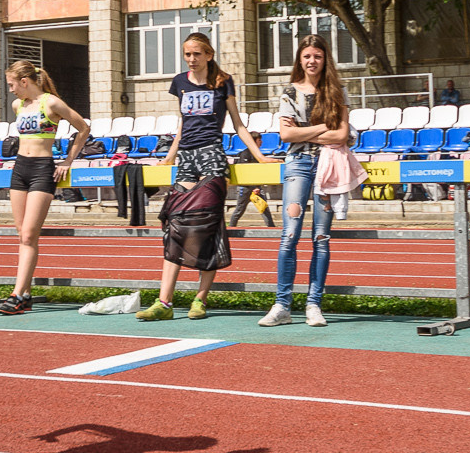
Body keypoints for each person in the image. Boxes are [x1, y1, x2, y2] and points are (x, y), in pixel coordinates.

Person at [140, 31, 267, 322]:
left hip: (212, 155)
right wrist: (170, 156)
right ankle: (164, 302)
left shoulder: (223, 81)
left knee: (207, 226)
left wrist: (260, 156)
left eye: (197, 54)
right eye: (187, 54)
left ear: (209, 54)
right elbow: (183, 123)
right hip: (186, 156)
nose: (192, 59)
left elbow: (238, 123)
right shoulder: (180, 83)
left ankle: (200, 299)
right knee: (175, 223)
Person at [258, 33, 347, 327]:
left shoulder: (337, 92)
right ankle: (282, 304)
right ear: (300, 58)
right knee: (289, 234)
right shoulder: (289, 92)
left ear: (325, 59)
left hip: (327, 167)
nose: (312, 61)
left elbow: (342, 135)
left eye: (318, 56)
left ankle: (313, 304)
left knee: (321, 237)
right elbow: (286, 135)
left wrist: (304, 129)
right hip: (297, 163)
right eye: (307, 56)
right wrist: (323, 127)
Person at [0, 57, 92, 315]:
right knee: (21, 233)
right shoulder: (18, 105)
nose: (11, 90)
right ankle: (24, 295)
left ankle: (17, 294)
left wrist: (68, 161)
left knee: (28, 235)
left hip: (41, 170)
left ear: (24, 81)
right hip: (20, 169)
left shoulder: (52, 103)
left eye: (12, 84)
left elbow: (83, 128)